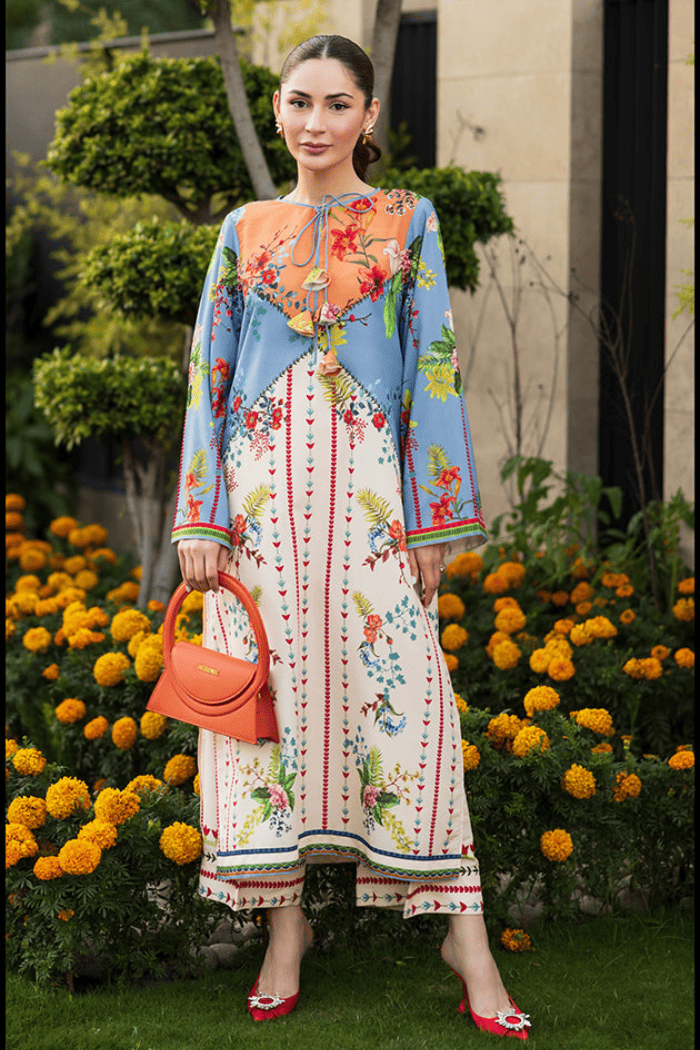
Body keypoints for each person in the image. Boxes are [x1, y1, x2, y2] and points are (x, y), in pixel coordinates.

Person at [173, 34, 531, 1039]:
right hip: (258, 513)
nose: (316, 122)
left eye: (337, 104)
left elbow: (433, 368)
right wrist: (201, 514)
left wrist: (433, 517)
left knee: (410, 704)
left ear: (369, 116)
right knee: (264, 715)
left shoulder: (409, 221)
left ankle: (467, 944)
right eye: (300, 102)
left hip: (373, 505)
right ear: (278, 110)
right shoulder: (243, 229)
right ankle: (285, 930)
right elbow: (207, 375)